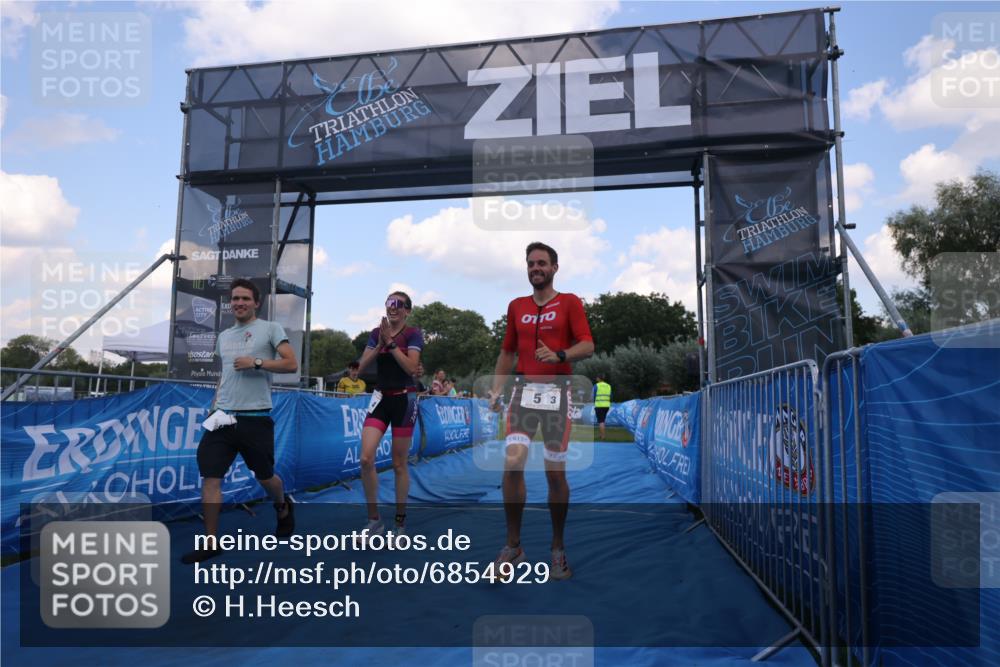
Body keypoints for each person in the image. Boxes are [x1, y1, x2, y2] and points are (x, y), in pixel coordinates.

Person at [488, 242, 594, 580]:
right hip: (522, 392)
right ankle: (513, 546)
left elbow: (588, 345)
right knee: (513, 462)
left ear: (554, 267)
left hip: (558, 396)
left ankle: (558, 548)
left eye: (542, 263)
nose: (536, 268)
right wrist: (496, 387)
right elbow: (507, 353)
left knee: (555, 474)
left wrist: (561, 355)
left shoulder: (570, 302)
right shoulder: (516, 306)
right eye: (531, 263)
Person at [182, 278, 298, 564]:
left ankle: (282, 505)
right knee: (210, 478)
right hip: (221, 419)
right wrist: (213, 408)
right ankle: (210, 542)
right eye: (235, 299)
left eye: (245, 298)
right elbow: (225, 377)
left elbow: (291, 364)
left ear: (256, 303)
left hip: (256, 418)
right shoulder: (223, 337)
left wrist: (256, 362)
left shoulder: (270, 329)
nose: (239, 303)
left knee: (265, 477)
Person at [355, 291, 423, 535]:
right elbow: (360, 368)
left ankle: (400, 522)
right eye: (388, 303)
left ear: (407, 310)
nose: (392, 307)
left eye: (398, 304)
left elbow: (412, 367)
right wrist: (380, 344)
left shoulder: (413, 333)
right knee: (365, 459)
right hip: (381, 398)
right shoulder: (376, 333)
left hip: (405, 399)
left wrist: (392, 345)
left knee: (398, 464)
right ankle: (374, 521)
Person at [593, 374, 612, 441]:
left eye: (596, 378)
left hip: (599, 405)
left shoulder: (596, 386)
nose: (596, 379)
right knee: (602, 420)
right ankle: (601, 435)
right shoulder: (608, 386)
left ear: (598, 378)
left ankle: (603, 437)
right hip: (606, 406)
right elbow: (611, 396)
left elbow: (593, 395)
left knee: (601, 421)